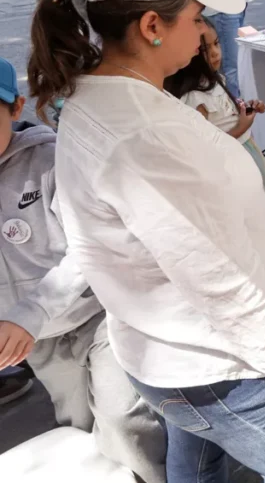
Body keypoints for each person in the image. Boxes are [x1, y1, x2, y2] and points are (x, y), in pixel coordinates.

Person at [26, 0, 265, 483]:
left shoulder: (106, 101)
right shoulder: (143, 132)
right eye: (195, 16)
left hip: (166, 350)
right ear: (151, 26)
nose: (202, 31)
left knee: (199, 455)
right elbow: (214, 271)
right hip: (201, 357)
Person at [0, 57, 166, 482]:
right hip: (36, 341)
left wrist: (29, 312)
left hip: (99, 315)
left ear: (16, 107)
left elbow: (89, 248)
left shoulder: (52, 160)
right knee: (75, 426)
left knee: (123, 416)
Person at [165, 20, 265, 209]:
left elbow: (226, 109)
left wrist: (245, 108)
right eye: (204, 49)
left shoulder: (215, 79)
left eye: (217, 43)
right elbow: (204, 147)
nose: (215, 53)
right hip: (229, 163)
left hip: (244, 152)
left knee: (259, 209)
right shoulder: (195, 98)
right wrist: (240, 127)